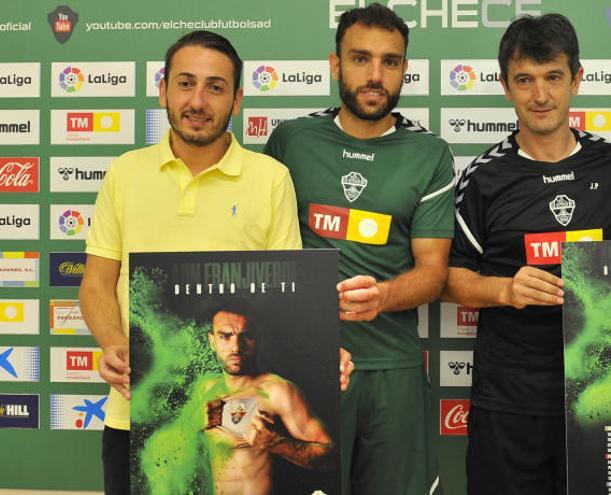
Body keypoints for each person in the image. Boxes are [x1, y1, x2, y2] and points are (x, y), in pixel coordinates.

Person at [79, 31, 353, 495]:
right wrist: (111, 344)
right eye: (185, 84)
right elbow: (96, 283)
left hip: (242, 439)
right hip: (135, 413)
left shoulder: (270, 179)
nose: (198, 101)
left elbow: (292, 296)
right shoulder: (125, 173)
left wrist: (330, 352)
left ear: (238, 99)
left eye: (215, 87)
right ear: (163, 90)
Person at [263, 4, 453, 494]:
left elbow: (433, 272)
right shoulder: (291, 141)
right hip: (306, 365)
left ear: (404, 70)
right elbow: (263, 253)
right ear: (335, 64)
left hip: (394, 369)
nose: (375, 75)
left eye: (390, 62)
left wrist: (382, 297)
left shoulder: (430, 153)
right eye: (361, 58)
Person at [443, 14, 611, 495]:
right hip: (511, 398)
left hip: (602, 388)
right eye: (524, 80)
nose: (540, 95)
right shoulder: (483, 178)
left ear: (577, 79)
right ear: (506, 87)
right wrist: (506, 289)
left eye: (553, 77)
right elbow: (450, 279)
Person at [200, 301, 331, 494]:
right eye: (225, 336)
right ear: (212, 341)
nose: (236, 347)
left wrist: (277, 444)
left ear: (258, 339)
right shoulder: (204, 390)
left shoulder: (278, 390)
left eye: (246, 336)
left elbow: (331, 456)